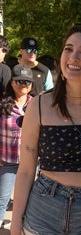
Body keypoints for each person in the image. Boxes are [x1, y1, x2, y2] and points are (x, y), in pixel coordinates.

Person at [10, 24, 81, 235]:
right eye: (68, 49)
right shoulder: (38, 105)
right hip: (43, 209)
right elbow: (26, 170)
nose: (74, 56)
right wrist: (15, 222)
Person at [0, 64, 33, 228]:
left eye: (27, 82)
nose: (23, 85)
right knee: (2, 198)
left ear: (31, 85)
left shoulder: (36, 105)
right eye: (19, 81)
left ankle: (23, 227)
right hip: (7, 161)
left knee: (29, 198)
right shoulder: (2, 105)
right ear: (12, 83)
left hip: (32, 162)